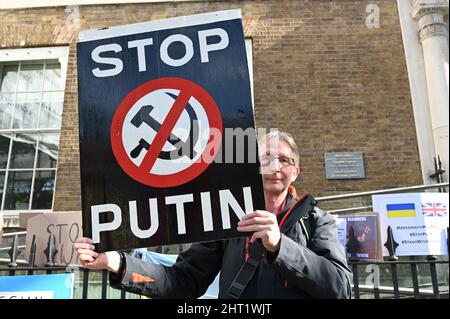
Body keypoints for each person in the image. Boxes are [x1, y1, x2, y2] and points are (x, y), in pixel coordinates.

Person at [74, 131, 352, 299]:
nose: (274, 165)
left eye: (284, 160)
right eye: (266, 157)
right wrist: (118, 264)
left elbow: (340, 289)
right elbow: (182, 281)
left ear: (295, 172)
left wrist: (281, 246)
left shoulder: (317, 221)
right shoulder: (227, 217)